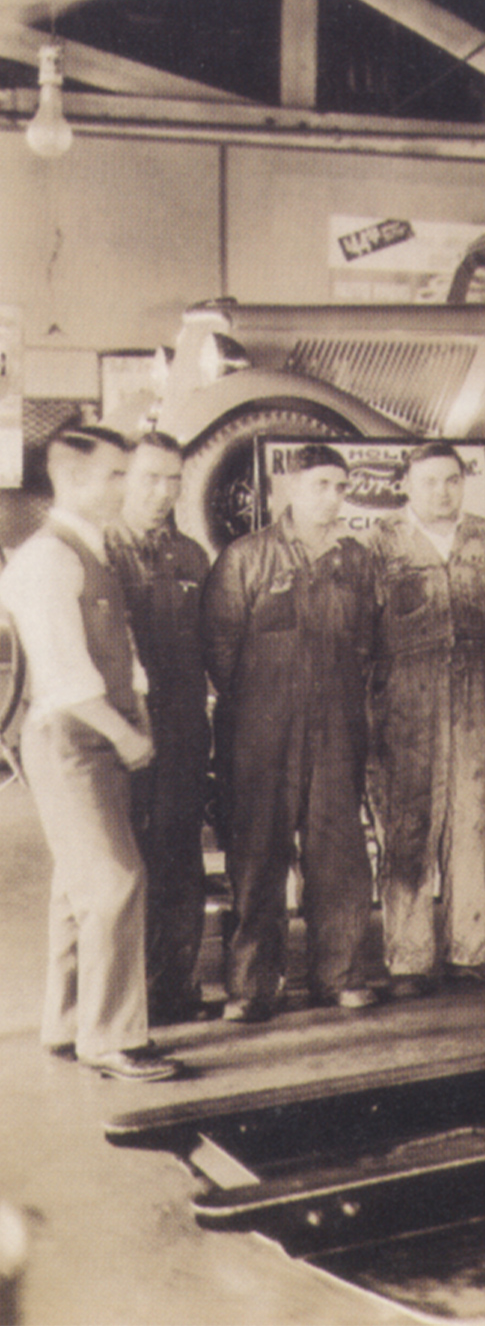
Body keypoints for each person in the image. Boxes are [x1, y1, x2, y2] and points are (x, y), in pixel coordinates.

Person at [0, 426, 177, 1081]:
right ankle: (111, 1039)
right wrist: (126, 732)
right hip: (73, 738)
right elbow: (63, 672)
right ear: (73, 480)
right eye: (116, 475)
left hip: (97, 734)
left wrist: (139, 709)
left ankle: (69, 1023)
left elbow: (116, 652)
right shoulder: (48, 558)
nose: (130, 486)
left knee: (79, 890)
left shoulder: (90, 548)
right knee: (115, 882)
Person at [203, 443, 380, 1020]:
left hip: (335, 730)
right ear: (288, 490)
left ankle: (341, 973)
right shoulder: (245, 558)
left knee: (340, 855)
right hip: (262, 733)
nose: (332, 497)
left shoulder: (355, 560)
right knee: (257, 859)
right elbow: (220, 653)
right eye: (320, 485)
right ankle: (253, 986)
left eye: (339, 486)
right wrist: (256, 716)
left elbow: (366, 645)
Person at [367, 442, 485, 996]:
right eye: (428, 481)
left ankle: (471, 951)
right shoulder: (380, 545)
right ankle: (407, 960)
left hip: (476, 690)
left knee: (476, 820)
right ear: (406, 485)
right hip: (407, 697)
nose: (442, 491)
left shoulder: (484, 538)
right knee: (409, 826)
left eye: (452, 480)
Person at [105, 432, 212, 1026]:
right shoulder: (100, 550)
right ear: (124, 477)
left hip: (183, 734)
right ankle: (127, 998)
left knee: (179, 856)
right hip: (120, 734)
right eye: (151, 478)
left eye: (174, 480)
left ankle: (176, 986)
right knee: (125, 861)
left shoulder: (192, 556)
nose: (163, 492)